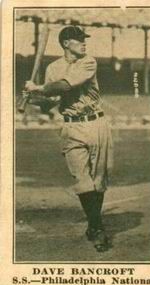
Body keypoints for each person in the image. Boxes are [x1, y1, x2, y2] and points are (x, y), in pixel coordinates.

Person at [25, 25, 113, 252]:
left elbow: (65, 85)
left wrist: (39, 87)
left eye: (84, 39)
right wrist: (31, 97)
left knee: (98, 181)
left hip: (96, 124)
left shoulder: (88, 62)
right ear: (66, 43)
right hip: (72, 127)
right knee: (82, 180)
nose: (84, 42)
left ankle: (94, 226)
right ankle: (97, 227)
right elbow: (51, 101)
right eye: (79, 40)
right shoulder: (53, 68)